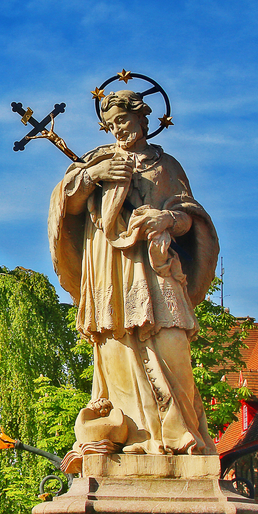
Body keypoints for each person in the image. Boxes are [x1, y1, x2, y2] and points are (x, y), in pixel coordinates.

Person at [48, 90, 219, 456]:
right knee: (117, 346)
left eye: (123, 121)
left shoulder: (166, 165)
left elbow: (192, 217)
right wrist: (94, 174)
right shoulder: (98, 159)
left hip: (158, 266)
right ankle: (139, 438)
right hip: (110, 267)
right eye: (110, 125)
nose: (118, 130)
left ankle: (182, 435)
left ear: (143, 119)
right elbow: (67, 204)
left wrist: (168, 218)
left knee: (174, 345)